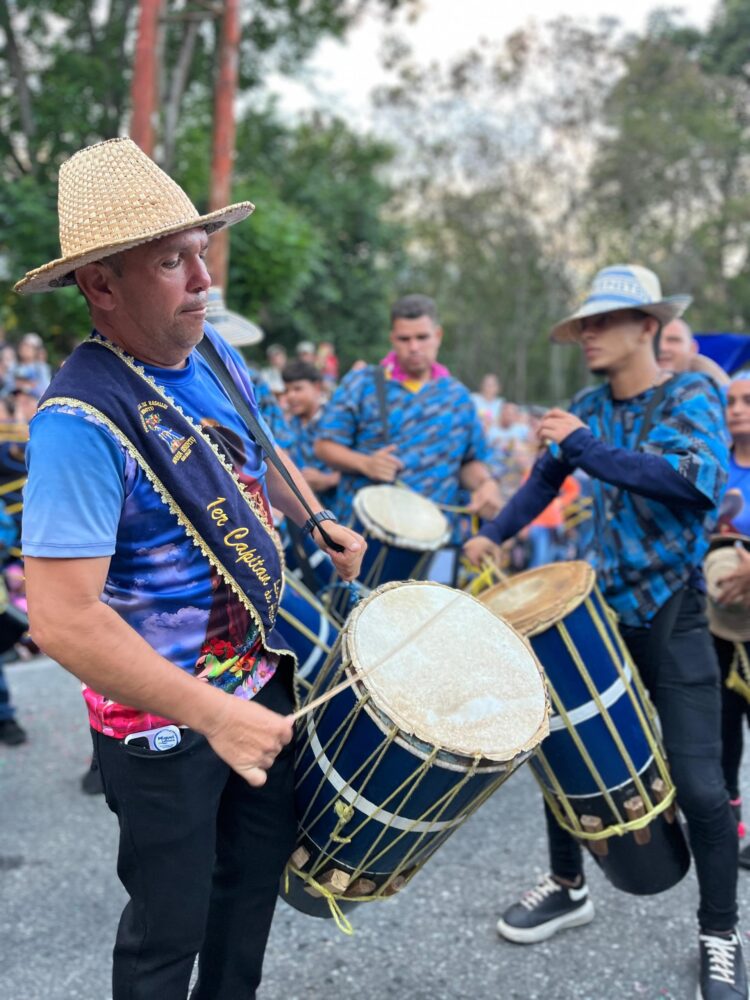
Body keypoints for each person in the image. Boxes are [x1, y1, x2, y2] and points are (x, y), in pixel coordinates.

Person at [15, 137, 366, 1000]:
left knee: (249, 899)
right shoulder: (75, 422)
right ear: (100, 283)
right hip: (162, 726)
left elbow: (259, 453)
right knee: (167, 932)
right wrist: (217, 715)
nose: (204, 280)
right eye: (173, 261)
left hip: (258, 684)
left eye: (200, 253)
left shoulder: (212, 352)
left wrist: (314, 515)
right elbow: (61, 621)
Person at [464, 264, 744, 1000]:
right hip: (597, 611)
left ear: (647, 327)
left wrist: (584, 446)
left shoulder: (693, 393)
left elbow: (691, 482)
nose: (586, 335)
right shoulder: (588, 406)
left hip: (675, 613)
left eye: (601, 322)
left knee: (701, 788)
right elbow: (542, 482)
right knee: (565, 757)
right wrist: (493, 534)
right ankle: (568, 885)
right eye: (582, 324)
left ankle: (720, 934)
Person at [315, 294, 502, 546]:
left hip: (436, 540)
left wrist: (486, 484)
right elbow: (324, 446)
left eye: (422, 337)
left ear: (438, 335)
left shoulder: (458, 398)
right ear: (392, 338)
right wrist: (365, 463)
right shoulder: (362, 383)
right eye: (404, 339)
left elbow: (468, 462)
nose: (414, 347)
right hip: (365, 537)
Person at [282, 359, 340, 510]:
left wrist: (328, 480)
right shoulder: (288, 424)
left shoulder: (338, 420)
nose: (291, 396)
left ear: (317, 387)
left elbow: (360, 465)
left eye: (297, 389)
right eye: (286, 390)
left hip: (337, 510)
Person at [659, 317, 730, 386]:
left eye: (673, 340)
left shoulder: (711, 391)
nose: (662, 347)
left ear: (692, 348)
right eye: (655, 341)